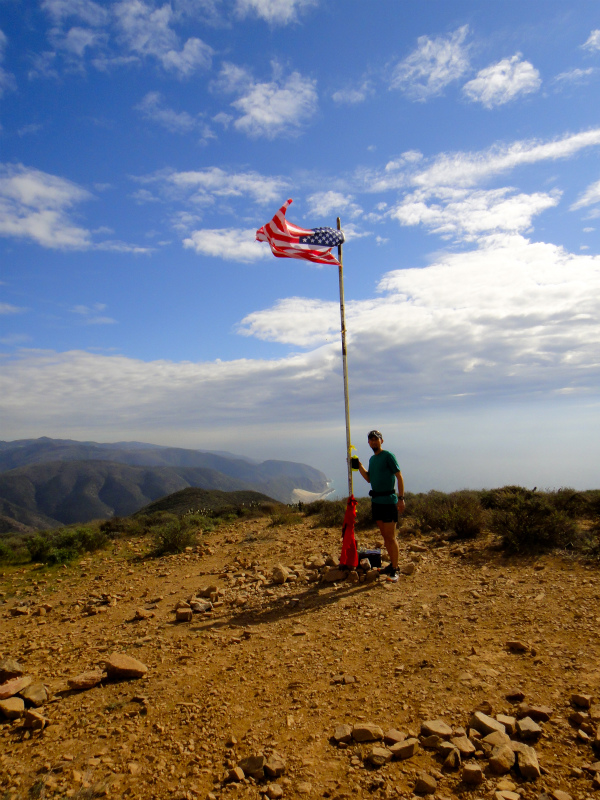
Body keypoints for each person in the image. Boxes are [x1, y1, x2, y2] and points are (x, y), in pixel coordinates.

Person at [356, 429, 405, 583]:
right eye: (371, 440)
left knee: (390, 537)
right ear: (369, 443)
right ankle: (391, 565)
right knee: (385, 537)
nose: (374, 442)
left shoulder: (388, 456)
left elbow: (399, 476)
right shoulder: (372, 459)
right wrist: (359, 466)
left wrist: (401, 498)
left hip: (389, 501)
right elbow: (369, 479)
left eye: (376, 439)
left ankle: (395, 569)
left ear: (381, 441)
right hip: (376, 502)